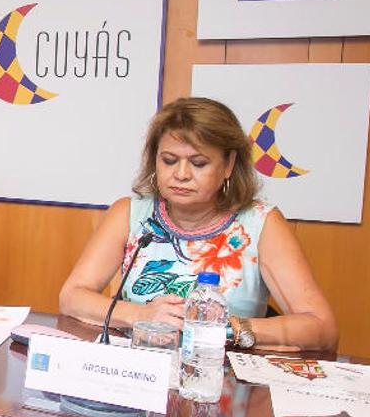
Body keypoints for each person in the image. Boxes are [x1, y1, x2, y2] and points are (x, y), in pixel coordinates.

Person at [59, 97, 337, 351]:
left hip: (219, 381)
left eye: (198, 163)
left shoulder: (261, 224)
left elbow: (322, 328)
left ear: (228, 165)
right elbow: (72, 297)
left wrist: (229, 329)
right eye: (169, 161)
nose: (181, 174)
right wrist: (142, 316)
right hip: (139, 375)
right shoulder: (129, 213)